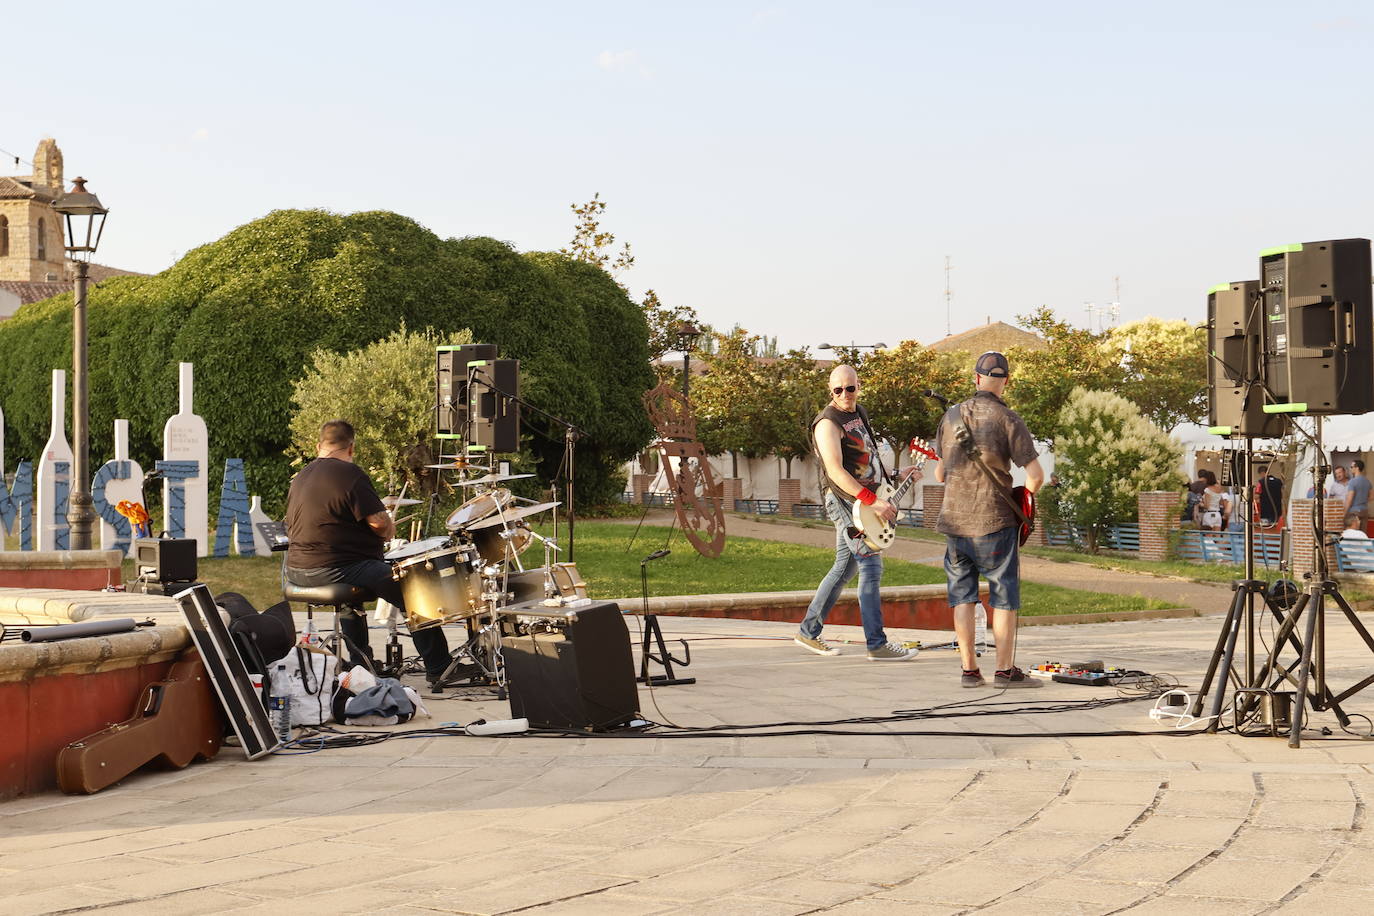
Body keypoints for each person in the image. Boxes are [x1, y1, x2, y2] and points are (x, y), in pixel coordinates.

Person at [285, 420, 451, 685]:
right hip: (337, 566)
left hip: (296, 570)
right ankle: (440, 667)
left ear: (319, 446)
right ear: (351, 448)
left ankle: (361, 664)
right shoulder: (350, 475)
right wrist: (388, 528)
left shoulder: (301, 476)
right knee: (414, 589)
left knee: (355, 597)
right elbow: (380, 524)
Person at [934, 351, 1045, 688]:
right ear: (1005, 381)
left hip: (955, 523)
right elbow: (1036, 476)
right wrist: (1025, 501)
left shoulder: (951, 417)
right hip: (995, 522)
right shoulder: (1009, 419)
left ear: (976, 378)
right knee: (1003, 597)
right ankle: (1004, 671)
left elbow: (940, 473)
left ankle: (969, 671)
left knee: (963, 597)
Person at [796, 364, 920, 660]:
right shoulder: (827, 423)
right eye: (838, 390)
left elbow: (866, 458)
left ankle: (807, 632)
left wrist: (895, 473)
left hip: (867, 500)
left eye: (850, 388)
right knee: (870, 565)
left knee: (844, 568)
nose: (845, 394)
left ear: (858, 386)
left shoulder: (859, 413)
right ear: (831, 391)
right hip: (845, 502)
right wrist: (871, 500)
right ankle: (876, 644)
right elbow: (836, 471)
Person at [1345, 460, 1371, 531]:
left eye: (1351, 467)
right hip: (1364, 510)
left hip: (1354, 511)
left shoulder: (1352, 482)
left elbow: (1350, 499)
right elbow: (1372, 496)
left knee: (1353, 533)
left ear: (1357, 468)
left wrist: (1345, 512)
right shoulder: (1367, 481)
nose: (1350, 469)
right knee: (1363, 532)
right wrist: (1363, 500)